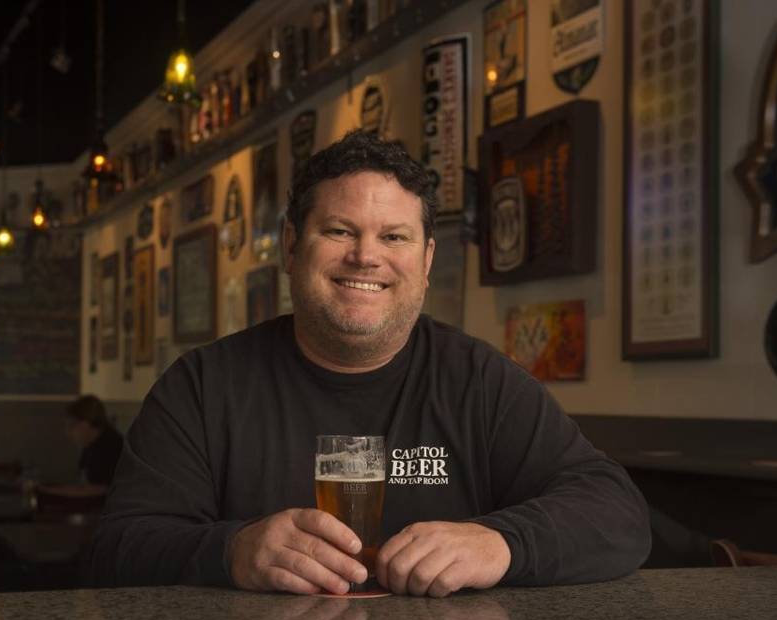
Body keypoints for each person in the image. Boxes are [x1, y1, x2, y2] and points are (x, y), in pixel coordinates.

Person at [89, 130, 651, 596]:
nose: (366, 256)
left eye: (395, 236)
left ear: (426, 259)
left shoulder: (478, 381)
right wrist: (230, 550)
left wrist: (501, 543)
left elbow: (617, 512)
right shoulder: (202, 387)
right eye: (338, 231)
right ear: (291, 246)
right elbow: (118, 547)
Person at [65, 395, 123, 486]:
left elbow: (100, 490)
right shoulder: (91, 446)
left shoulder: (111, 449)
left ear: (86, 424)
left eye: (72, 425)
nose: (69, 433)